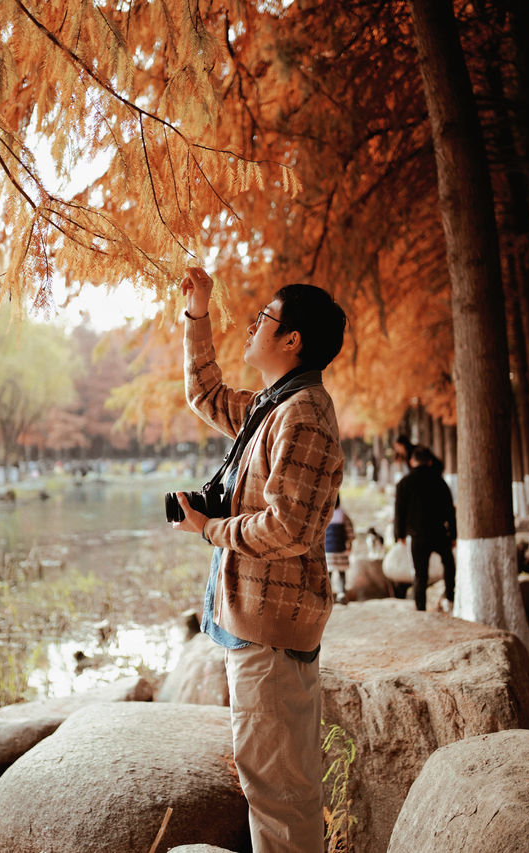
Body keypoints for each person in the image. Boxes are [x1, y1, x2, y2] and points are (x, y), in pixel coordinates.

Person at [171, 266, 345, 853]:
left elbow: (291, 527)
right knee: (279, 783)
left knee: (277, 790)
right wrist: (198, 314)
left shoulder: (304, 415)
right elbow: (205, 394)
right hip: (259, 625)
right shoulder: (273, 406)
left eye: (264, 320)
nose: (252, 326)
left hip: (271, 634)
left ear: (291, 339)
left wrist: (212, 528)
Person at [394, 444, 457, 612]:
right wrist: (453, 534)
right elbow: (450, 511)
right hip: (439, 533)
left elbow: (399, 512)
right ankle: (450, 597)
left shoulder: (403, 483)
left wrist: (399, 534)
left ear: (412, 461)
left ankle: (420, 607)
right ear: (429, 462)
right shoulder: (440, 482)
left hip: (417, 536)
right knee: (449, 564)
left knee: (420, 574)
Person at [324, 494, 354, 605]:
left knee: (328, 574)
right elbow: (349, 530)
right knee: (341, 573)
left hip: (327, 550)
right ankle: (341, 594)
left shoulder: (324, 514)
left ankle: (327, 595)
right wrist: (349, 543)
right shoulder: (342, 514)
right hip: (340, 549)